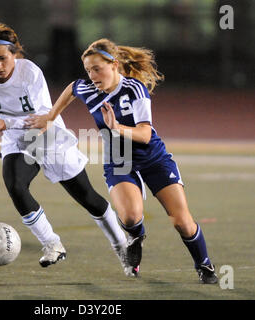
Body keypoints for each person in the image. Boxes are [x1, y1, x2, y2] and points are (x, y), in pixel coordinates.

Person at [25, 38, 218, 284]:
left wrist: (117, 127)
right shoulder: (88, 89)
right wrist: (50, 116)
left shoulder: (134, 89)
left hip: (153, 159)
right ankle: (136, 238)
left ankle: (204, 264)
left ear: (114, 65)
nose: (92, 75)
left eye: (97, 69)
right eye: (88, 70)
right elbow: (72, 89)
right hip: (120, 160)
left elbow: (145, 134)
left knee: (182, 222)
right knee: (129, 217)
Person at [0, 24, 138, 276]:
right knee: (15, 184)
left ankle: (122, 246)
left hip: (47, 134)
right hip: (17, 137)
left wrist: (4, 122)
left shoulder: (30, 74)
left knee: (86, 197)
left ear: (14, 54)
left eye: (2, 59)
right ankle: (52, 244)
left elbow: (42, 117)